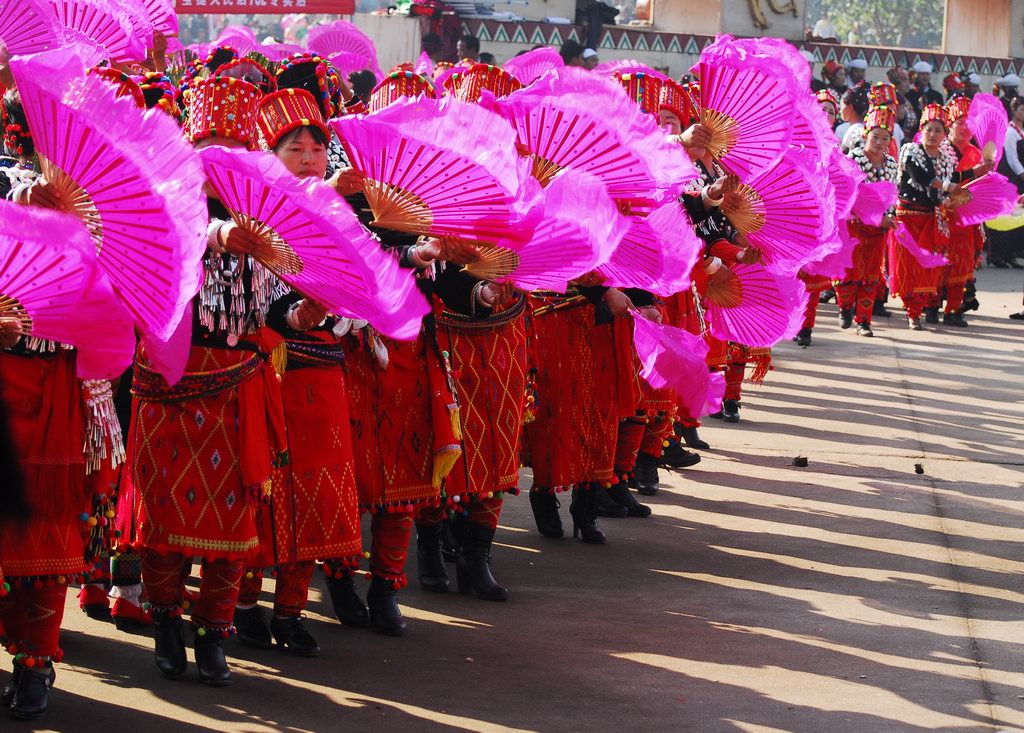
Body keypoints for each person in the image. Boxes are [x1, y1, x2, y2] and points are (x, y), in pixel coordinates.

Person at [123, 71, 287, 687]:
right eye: (209, 142)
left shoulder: (268, 212)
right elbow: (170, 243)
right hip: (168, 381)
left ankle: (214, 633)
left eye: (236, 146)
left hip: (237, 383)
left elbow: (275, 314)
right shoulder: (159, 198)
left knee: (235, 523)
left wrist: (308, 311)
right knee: (162, 519)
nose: (222, 157)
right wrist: (220, 233)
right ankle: (167, 620)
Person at [0, 94, 124, 721]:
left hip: (65, 387)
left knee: (47, 533)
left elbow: (123, 298)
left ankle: (34, 662)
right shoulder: (2, 185)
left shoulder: (107, 213)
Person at [231, 69, 362, 658]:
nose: (308, 159)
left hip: (326, 374)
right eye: (294, 149)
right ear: (270, 154)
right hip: (269, 377)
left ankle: (291, 608)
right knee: (264, 493)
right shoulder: (248, 221)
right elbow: (250, 302)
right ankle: (242, 606)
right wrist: (295, 315)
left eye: (316, 149)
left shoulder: (344, 216)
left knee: (316, 493)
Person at [892, 103, 959, 330]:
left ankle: (917, 310)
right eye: (929, 129)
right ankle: (911, 309)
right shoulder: (910, 149)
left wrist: (950, 199)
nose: (932, 134)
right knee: (907, 264)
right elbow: (919, 176)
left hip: (930, 217)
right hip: (907, 216)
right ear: (922, 129)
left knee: (926, 266)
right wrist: (949, 188)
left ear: (945, 134)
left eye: (938, 130)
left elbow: (940, 194)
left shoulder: (947, 160)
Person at [837, 105, 899, 337]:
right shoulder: (853, 158)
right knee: (850, 272)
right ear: (865, 136)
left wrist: (890, 215)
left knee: (871, 275)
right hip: (854, 225)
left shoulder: (891, 163)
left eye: (885, 138)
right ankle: (844, 307)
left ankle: (864, 321)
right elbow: (849, 195)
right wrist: (874, 216)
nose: (880, 142)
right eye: (875, 136)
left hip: (878, 228)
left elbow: (892, 193)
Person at [939, 95, 993, 326]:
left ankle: (954, 307)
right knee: (939, 260)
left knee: (962, 261)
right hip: (941, 213)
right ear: (950, 124)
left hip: (966, 215)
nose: (965, 128)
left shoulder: (976, 154)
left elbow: (984, 185)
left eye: (969, 123)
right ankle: (931, 305)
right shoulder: (939, 148)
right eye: (960, 122)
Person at [991, 96, 1024, 268]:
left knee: (1017, 219)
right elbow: (1012, 159)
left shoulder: (1021, 131)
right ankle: (998, 255)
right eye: (1022, 109)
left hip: (1019, 178)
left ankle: (1011, 253)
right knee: (1006, 217)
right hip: (1011, 178)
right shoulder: (1010, 132)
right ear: (1014, 110)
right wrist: (1022, 174)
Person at [838, 85, 870, 153]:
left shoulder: (854, 130)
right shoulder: (865, 129)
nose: (840, 111)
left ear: (850, 107)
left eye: (841, 106)